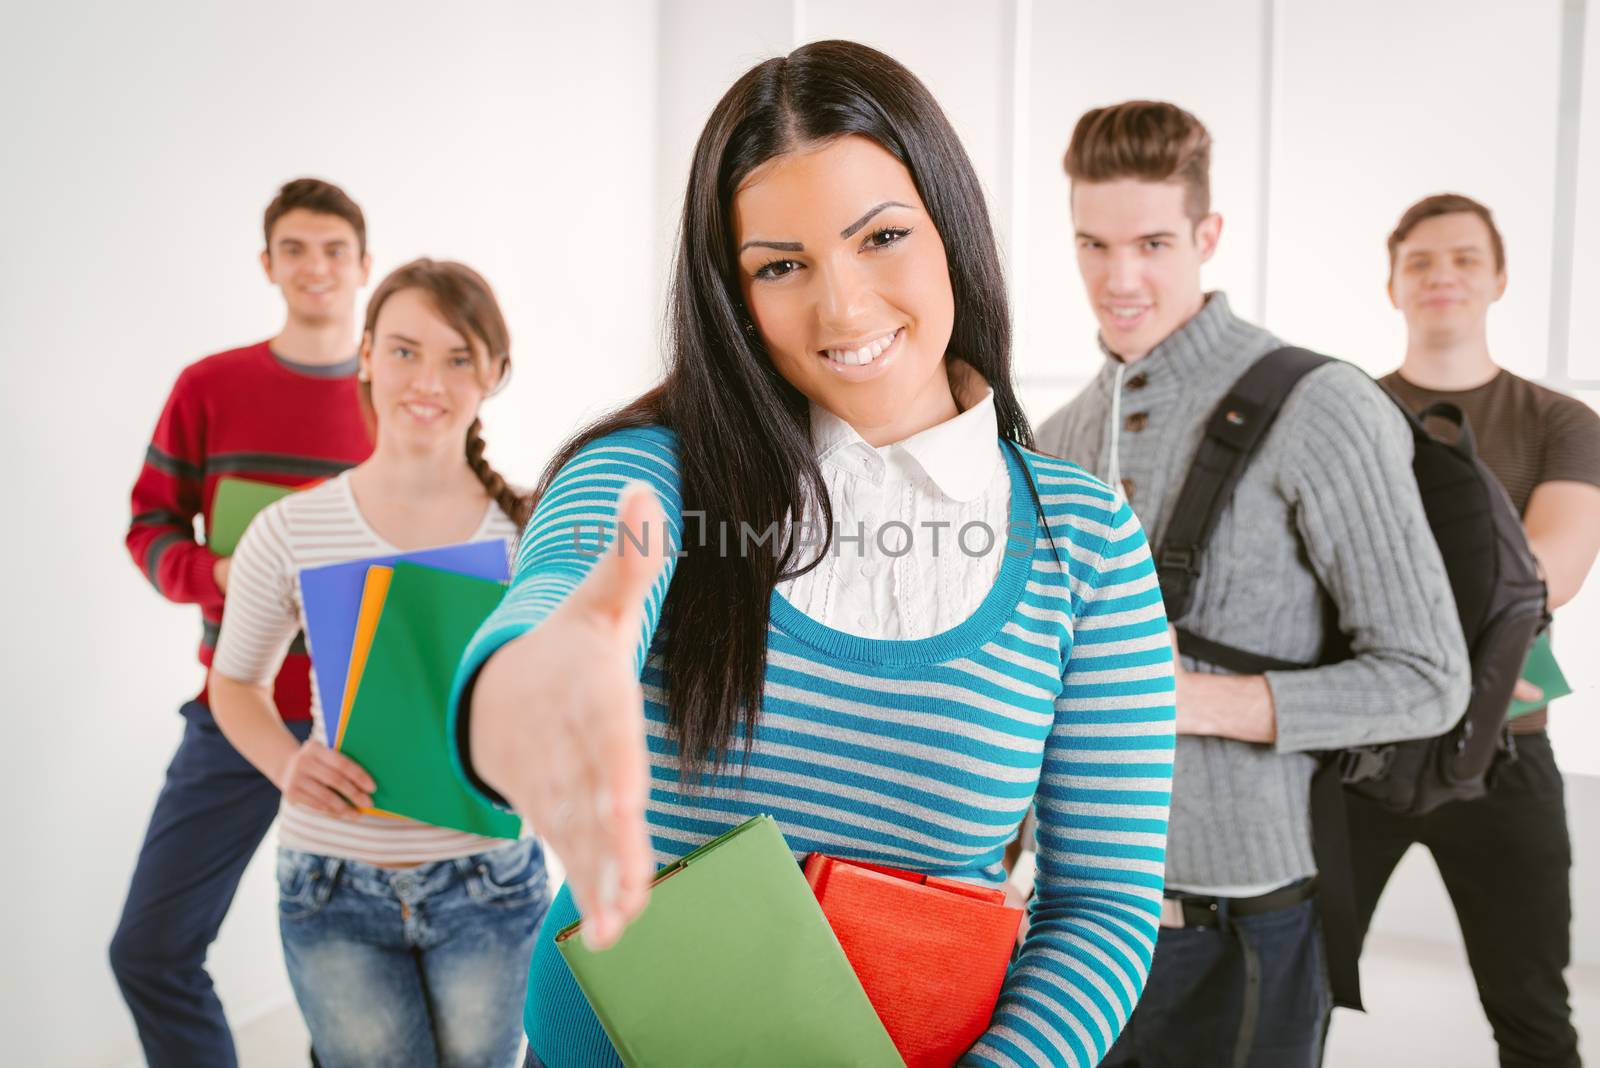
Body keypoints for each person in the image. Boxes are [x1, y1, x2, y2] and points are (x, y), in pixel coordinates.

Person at [450, 40, 1177, 1068]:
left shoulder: (1084, 543)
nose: (840, 307)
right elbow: (562, 599)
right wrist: (543, 675)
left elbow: (1100, 905)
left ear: (950, 232)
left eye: (880, 237)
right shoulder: (653, 476)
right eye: (780, 265)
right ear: (732, 293)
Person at [1035, 101, 1471, 1067]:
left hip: (1247, 923)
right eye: (1093, 244)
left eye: (1152, 242)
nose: (1120, 278)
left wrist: (1180, 700)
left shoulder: (1321, 407)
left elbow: (1430, 680)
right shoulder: (1058, 435)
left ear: (1207, 235)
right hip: (1067, 935)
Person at [209, 259, 549, 1068]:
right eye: (402, 350)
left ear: (495, 373)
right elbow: (235, 684)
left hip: (489, 882)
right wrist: (289, 765)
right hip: (332, 885)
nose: (426, 380)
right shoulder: (293, 528)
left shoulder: (536, 530)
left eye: (458, 356)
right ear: (364, 356)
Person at [112, 177, 374, 1068]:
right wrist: (223, 571)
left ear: (363, 265)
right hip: (236, 707)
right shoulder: (210, 387)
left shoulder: (398, 397)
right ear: (268, 264)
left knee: (363, 970)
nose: (315, 267)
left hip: (364, 720)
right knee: (149, 947)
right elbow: (148, 526)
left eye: (334, 249)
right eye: (294, 249)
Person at [1346, 193, 1600, 1068]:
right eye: (1419, 260)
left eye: (1462, 258)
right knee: (1287, 993)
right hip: (1359, 757)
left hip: (1508, 757)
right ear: (1392, 285)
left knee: (1533, 1018)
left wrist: (1387, 609)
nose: (1441, 275)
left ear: (1498, 280)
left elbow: (1545, 574)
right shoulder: (1341, 414)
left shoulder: (1562, 423)